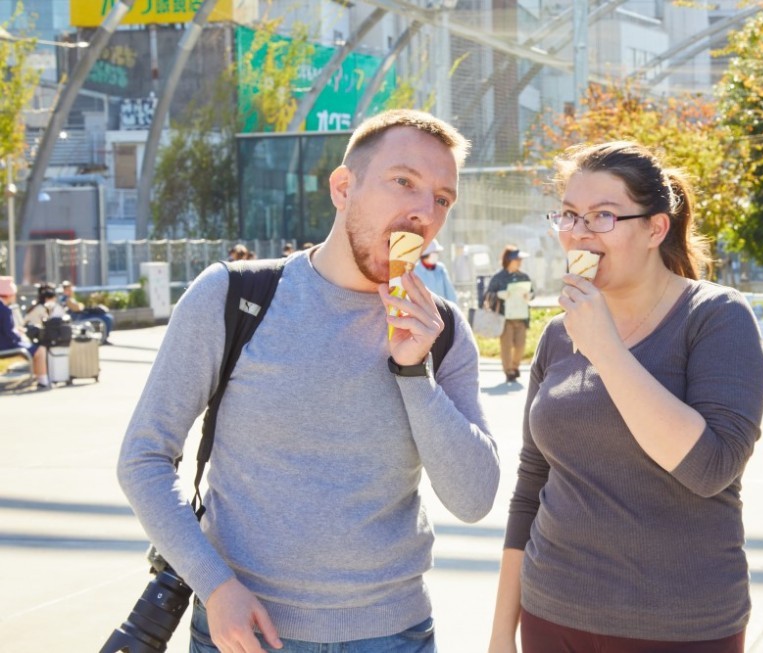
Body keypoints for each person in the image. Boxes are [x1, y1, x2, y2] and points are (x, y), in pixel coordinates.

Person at [117, 110, 500, 653]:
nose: (422, 212)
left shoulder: (442, 329)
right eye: (403, 182)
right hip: (245, 630)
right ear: (343, 187)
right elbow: (143, 457)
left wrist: (415, 370)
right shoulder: (234, 297)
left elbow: (474, 498)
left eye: (442, 198)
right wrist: (215, 585)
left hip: (394, 634)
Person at [488, 141, 763, 653]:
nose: (578, 232)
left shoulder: (716, 317)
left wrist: (606, 349)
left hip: (682, 626)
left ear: (655, 228)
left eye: (602, 216)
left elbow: (710, 469)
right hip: (551, 611)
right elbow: (532, 485)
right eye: (570, 215)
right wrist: (500, 633)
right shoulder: (558, 334)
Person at [485, 246, 533, 382]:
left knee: (520, 345)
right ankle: (509, 371)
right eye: (517, 259)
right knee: (506, 346)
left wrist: (530, 295)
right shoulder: (498, 278)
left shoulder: (524, 276)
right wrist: (499, 295)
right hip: (504, 318)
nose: (520, 262)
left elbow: (532, 292)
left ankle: (515, 365)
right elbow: (488, 295)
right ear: (509, 260)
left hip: (522, 317)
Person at [0, 276, 50, 390]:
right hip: (6, 345)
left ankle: (39, 379)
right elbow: (9, 334)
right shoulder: (5, 310)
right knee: (40, 350)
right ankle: (43, 381)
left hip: (3, 343)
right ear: (8, 295)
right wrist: (20, 336)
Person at [415, 239, 458, 303]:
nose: (436, 255)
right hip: (424, 310)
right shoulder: (415, 271)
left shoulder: (441, 269)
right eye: (434, 253)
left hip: (443, 309)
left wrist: (452, 309)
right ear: (425, 255)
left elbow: (450, 293)